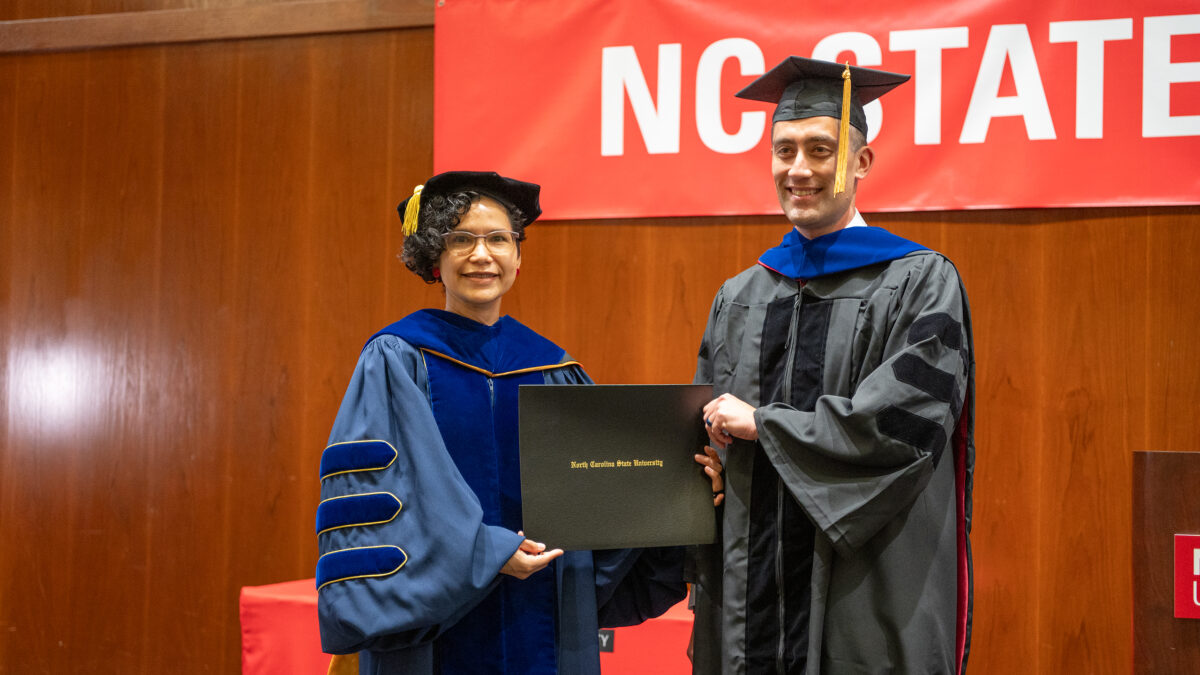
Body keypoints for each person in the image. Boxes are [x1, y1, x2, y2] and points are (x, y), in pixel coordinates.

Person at [315, 171, 695, 674]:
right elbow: (392, 488)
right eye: (461, 240)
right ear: (434, 256)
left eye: (499, 239)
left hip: (540, 611)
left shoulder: (554, 369)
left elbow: (597, 489)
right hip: (436, 630)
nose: (482, 255)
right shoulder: (396, 359)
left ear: (518, 254)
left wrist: (675, 492)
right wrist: (488, 552)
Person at [689, 57, 976, 674]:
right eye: (784, 149)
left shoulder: (921, 283)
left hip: (865, 583)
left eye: (821, 150)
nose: (798, 169)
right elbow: (704, 428)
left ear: (862, 162)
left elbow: (902, 428)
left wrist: (765, 425)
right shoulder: (741, 295)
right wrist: (704, 467)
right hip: (748, 589)